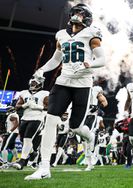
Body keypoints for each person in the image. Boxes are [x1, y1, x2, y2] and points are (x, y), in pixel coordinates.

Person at [25, 3, 105, 180]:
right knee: (50, 120)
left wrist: (89, 64)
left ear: (87, 17)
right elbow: (56, 59)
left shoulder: (92, 33)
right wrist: (41, 70)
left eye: (80, 13)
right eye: (75, 12)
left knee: (75, 127)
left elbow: (102, 59)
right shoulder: (61, 35)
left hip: (83, 84)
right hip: (62, 83)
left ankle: (89, 136)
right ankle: (44, 167)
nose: (77, 15)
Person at [13, 76, 49, 170]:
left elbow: (50, 107)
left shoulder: (45, 93)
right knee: (22, 139)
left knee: (27, 139)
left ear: (40, 84)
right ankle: (33, 153)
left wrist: (38, 107)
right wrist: (25, 105)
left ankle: (22, 161)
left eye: (34, 84)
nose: (32, 85)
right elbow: (17, 106)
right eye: (31, 84)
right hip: (25, 118)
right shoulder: (24, 93)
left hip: (37, 118)